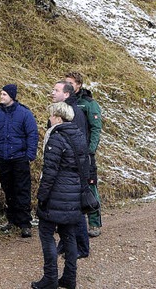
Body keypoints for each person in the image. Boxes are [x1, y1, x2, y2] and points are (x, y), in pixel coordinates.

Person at [32, 101, 88, 289]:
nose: (49, 119)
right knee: (69, 236)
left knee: (46, 234)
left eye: (50, 115)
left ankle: (50, 278)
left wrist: (42, 197)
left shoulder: (56, 138)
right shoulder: (79, 136)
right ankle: (69, 278)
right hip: (73, 195)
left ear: (57, 117)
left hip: (56, 195)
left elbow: (50, 172)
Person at [0, 83, 39, 238]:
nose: (1, 96)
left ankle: (25, 223)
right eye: (1, 93)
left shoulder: (24, 113)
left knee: (22, 190)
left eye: (4, 94)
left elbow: (32, 134)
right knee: (8, 189)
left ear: (11, 96)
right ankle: (12, 219)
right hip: (3, 158)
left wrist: (29, 155)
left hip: (19, 158)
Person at [50, 81, 90, 259]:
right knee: (66, 209)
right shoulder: (59, 110)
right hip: (65, 168)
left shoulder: (75, 113)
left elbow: (78, 142)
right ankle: (66, 243)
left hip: (73, 170)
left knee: (75, 211)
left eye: (56, 90)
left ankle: (82, 246)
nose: (52, 92)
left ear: (66, 94)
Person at [65, 71, 103, 237]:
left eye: (71, 83)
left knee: (90, 187)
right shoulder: (64, 102)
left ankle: (94, 223)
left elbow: (96, 128)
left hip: (85, 154)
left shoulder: (88, 103)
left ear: (79, 85)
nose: (68, 85)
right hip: (69, 153)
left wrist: (91, 150)